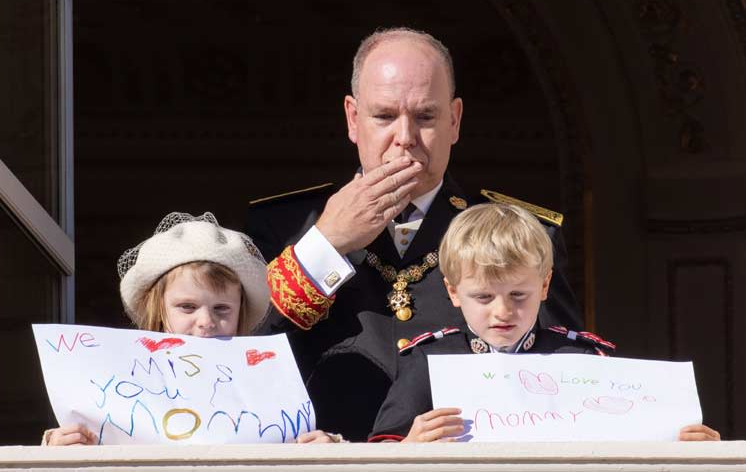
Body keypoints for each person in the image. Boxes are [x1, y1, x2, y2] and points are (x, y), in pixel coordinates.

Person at [247, 27, 582, 440]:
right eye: (384, 116)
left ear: (455, 120)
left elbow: (562, 370)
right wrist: (326, 244)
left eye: (425, 117)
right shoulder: (284, 225)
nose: (404, 139)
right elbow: (240, 352)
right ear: (353, 119)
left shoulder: (523, 232)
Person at [368, 203, 720, 443]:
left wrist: (682, 443)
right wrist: (409, 446)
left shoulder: (581, 357)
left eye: (518, 295)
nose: (502, 311)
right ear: (453, 291)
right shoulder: (428, 361)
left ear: (545, 285)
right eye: (484, 297)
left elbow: (630, 441)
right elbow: (376, 453)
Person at [42, 212, 341, 445]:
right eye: (187, 307)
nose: (206, 322)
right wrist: (61, 448)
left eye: (222, 308)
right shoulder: (111, 384)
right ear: (158, 309)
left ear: (241, 313)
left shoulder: (275, 385)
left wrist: (323, 451)